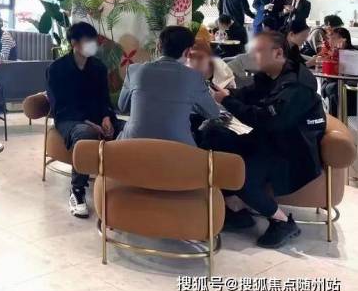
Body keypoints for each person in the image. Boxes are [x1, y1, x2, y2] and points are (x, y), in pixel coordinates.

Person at [209, 32, 325, 248]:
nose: (253, 57)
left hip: (290, 149)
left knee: (241, 176)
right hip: (268, 139)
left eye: (258, 52)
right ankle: (235, 208)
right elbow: (251, 93)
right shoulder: (271, 75)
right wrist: (229, 94)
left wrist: (228, 101)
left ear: (278, 53)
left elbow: (268, 120)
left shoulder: (296, 86)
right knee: (214, 136)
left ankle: (282, 221)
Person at [46, 22, 121, 218]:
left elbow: (104, 99)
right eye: (88, 41)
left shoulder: (98, 68)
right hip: (69, 118)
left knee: (127, 129)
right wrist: (89, 123)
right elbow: (60, 106)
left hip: (97, 117)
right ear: (74, 43)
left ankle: (121, 185)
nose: (93, 45)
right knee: (85, 133)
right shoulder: (57, 69)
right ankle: (77, 191)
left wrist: (106, 117)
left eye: (94, 41)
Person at [118, 26, 220, 145]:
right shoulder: (194, 77)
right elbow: (213, 113)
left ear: (158, 46)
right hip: (177, 148)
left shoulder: (134, 70)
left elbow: (122, 106)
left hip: (131, 145)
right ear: (187, 52)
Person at [321, 28, 357, 117]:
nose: (330, 41)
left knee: (333, 88)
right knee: (330, 87)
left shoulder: (353, 53)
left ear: (344, 40)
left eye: (334, 38)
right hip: (335, 82)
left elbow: (351, 75)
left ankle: (338, 118)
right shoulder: (331, 52)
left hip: (349, 84)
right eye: (330, 38)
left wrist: (341, 53)